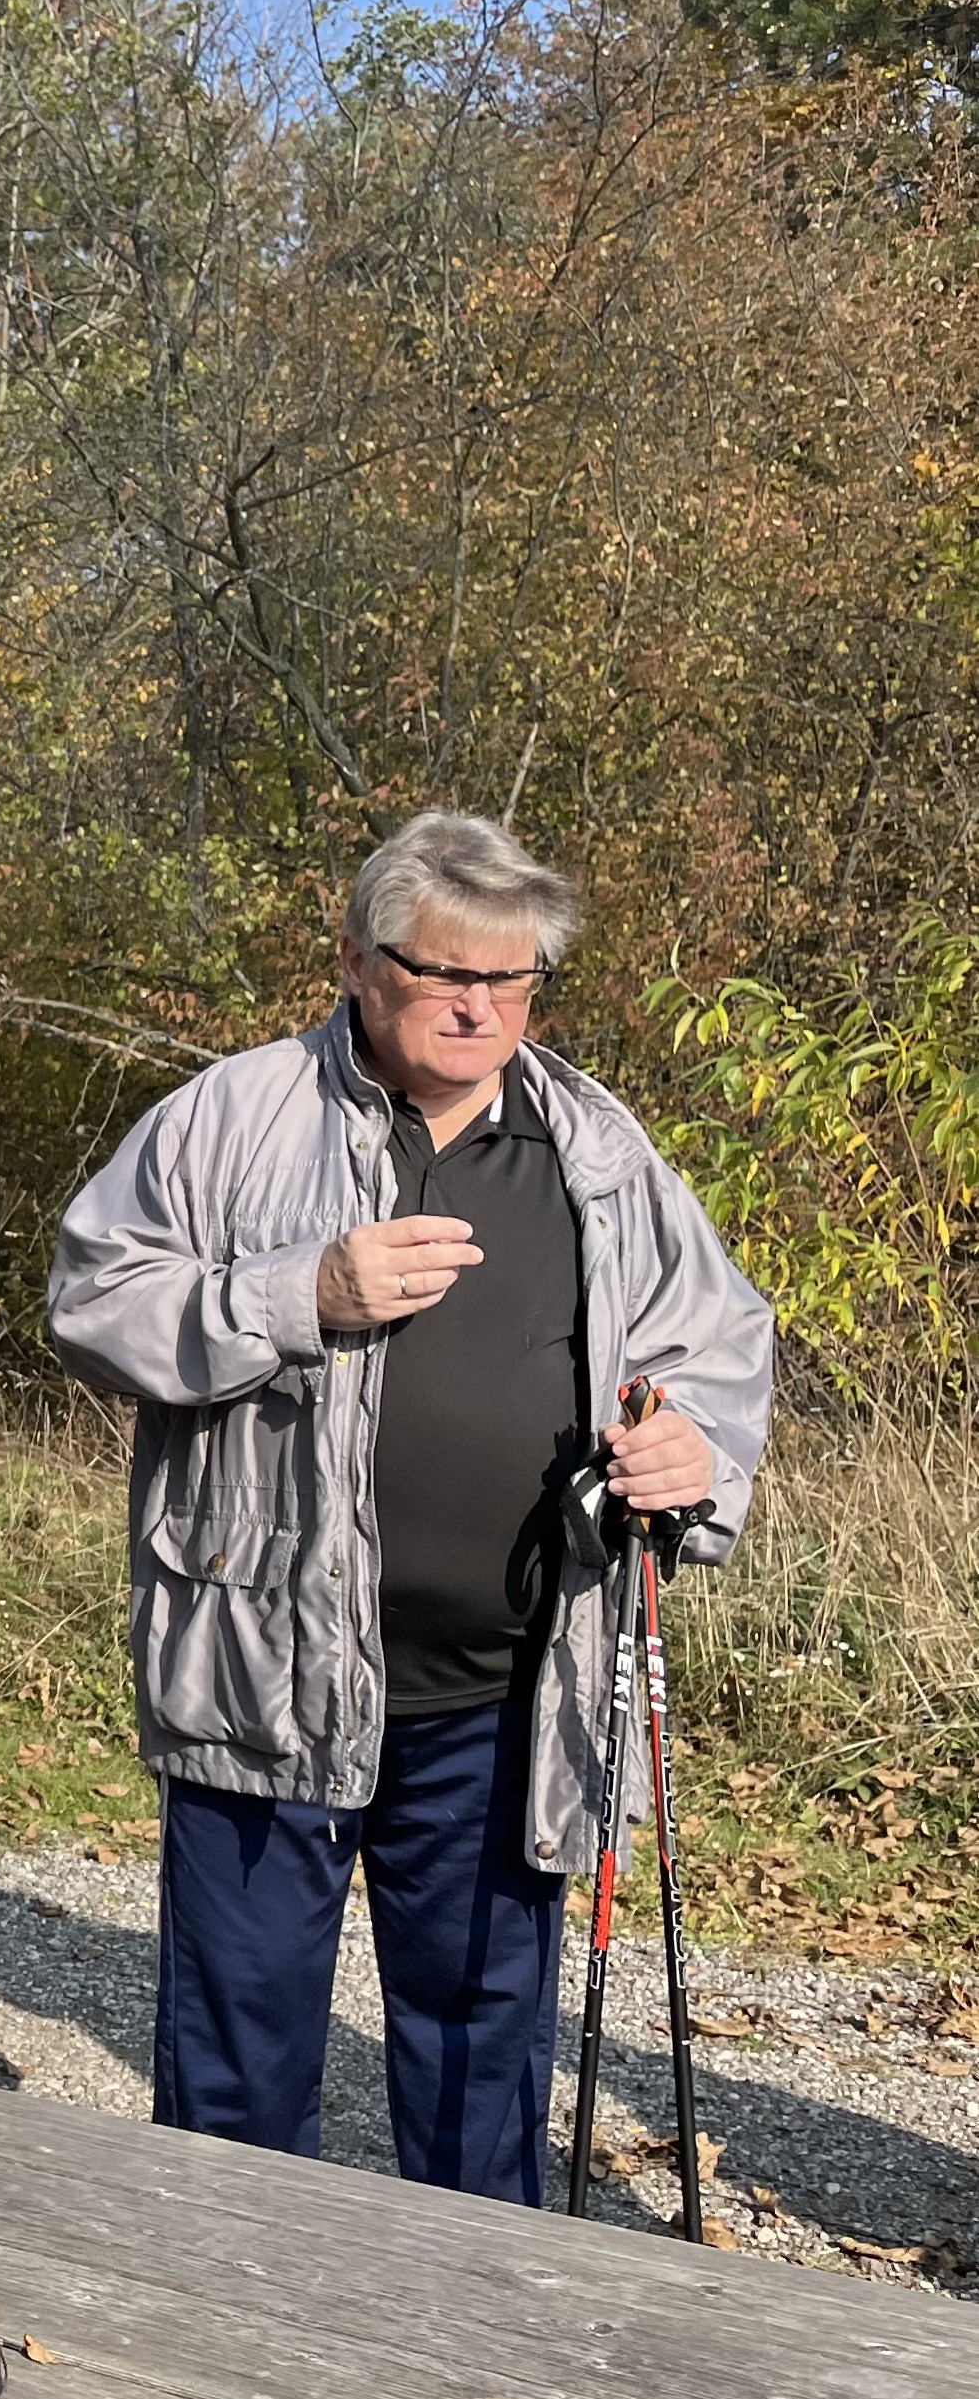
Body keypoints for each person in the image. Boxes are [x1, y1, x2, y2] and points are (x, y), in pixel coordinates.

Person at [49, 811, 773, 2205]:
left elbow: (718, 1343)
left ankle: (469, 2331)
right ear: (356, 961)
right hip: (264, 1677)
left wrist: (694, 1450)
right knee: (237, 2067)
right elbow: (90, 1303)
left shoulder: (595, 1148)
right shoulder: (232, 1118)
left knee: (481, 2066)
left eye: (510, 978)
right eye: (445, 972)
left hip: (508, 1697)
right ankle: (231, 2317)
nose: (479, 1006)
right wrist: (296, 1293)